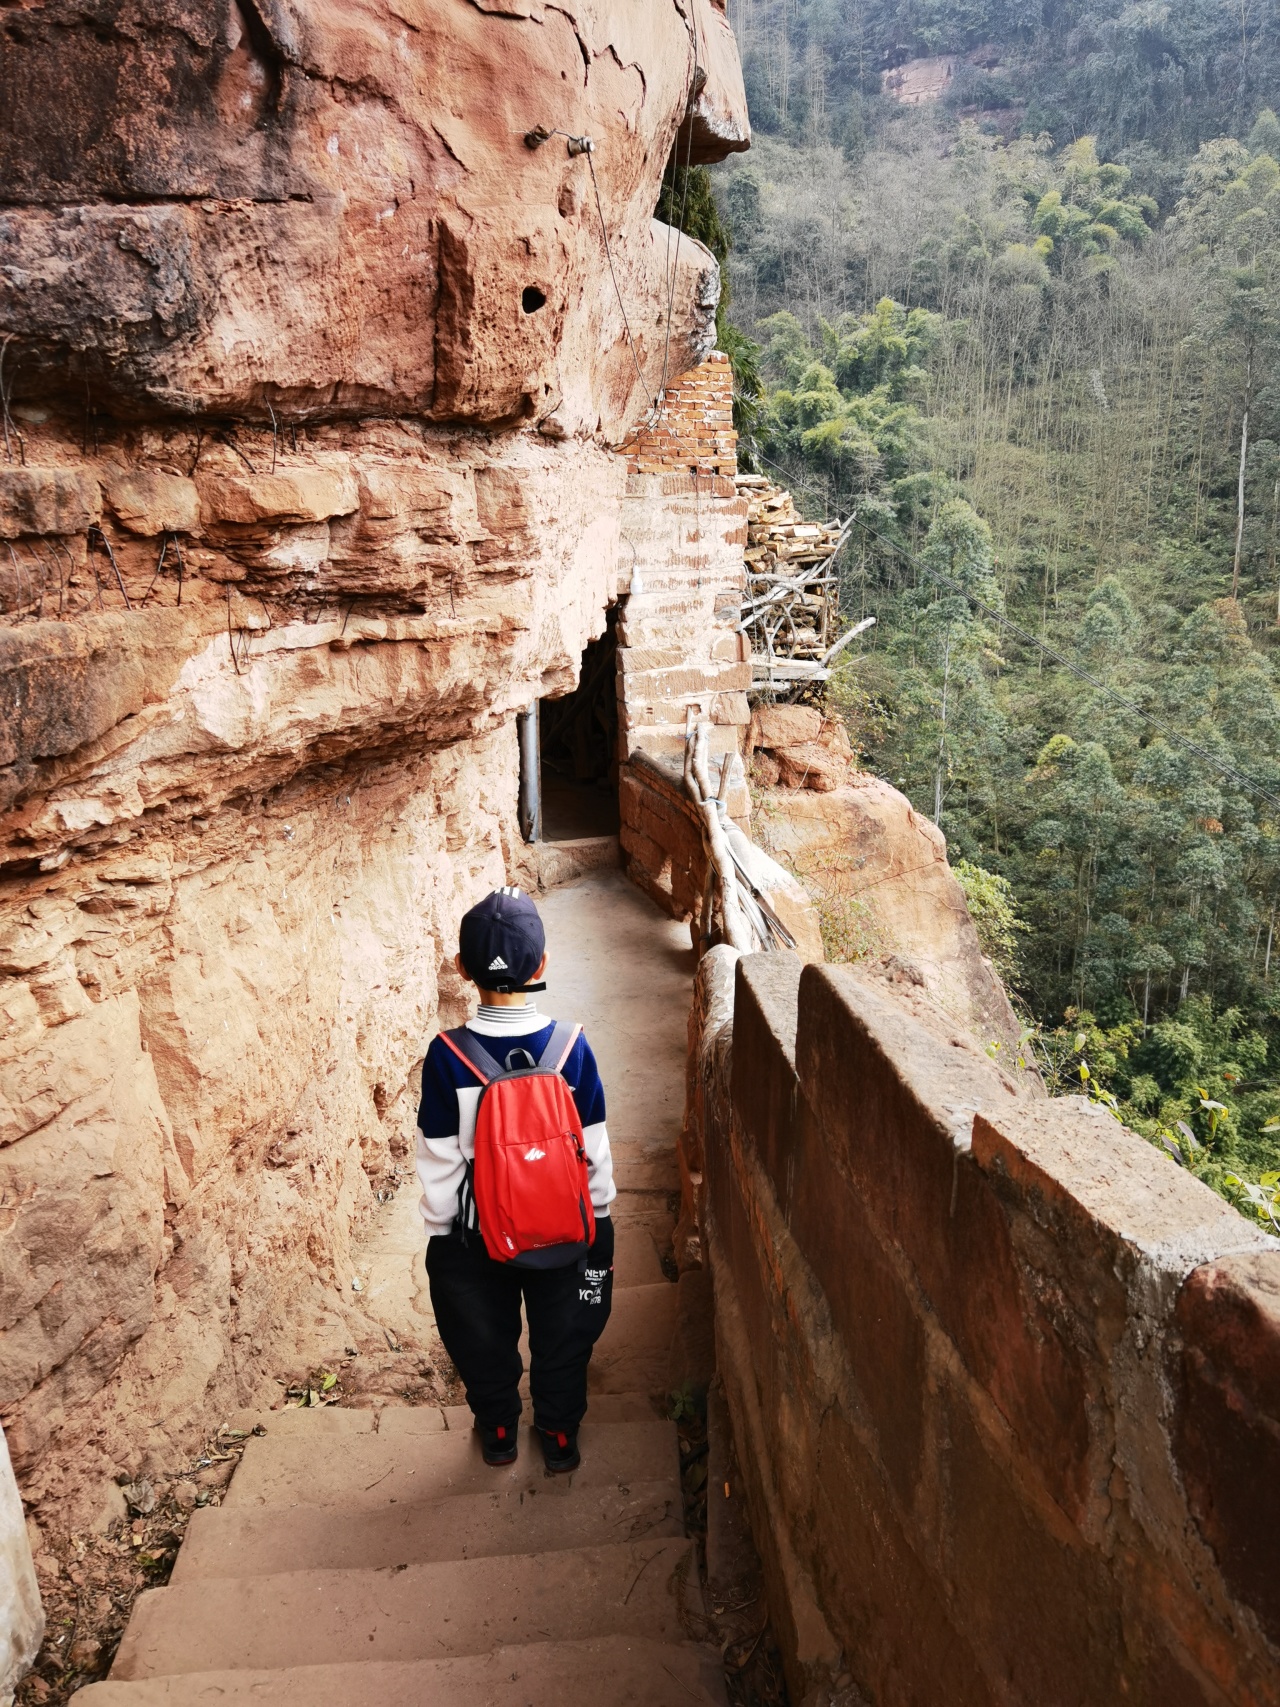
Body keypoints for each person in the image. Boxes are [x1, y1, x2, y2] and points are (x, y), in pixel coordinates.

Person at [416, 885, 616, 1472]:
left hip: (476, 1240)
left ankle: (500, 1430)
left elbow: (439, 1159)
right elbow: (594, 1149)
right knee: (568, 1331)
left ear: (462, 969)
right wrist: (598, 1222)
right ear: (541, 965)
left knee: (480, 1336)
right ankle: (558, 1435)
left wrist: (445, 1236)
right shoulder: (573, 1048)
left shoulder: (446, 1056)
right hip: (569, 1235)